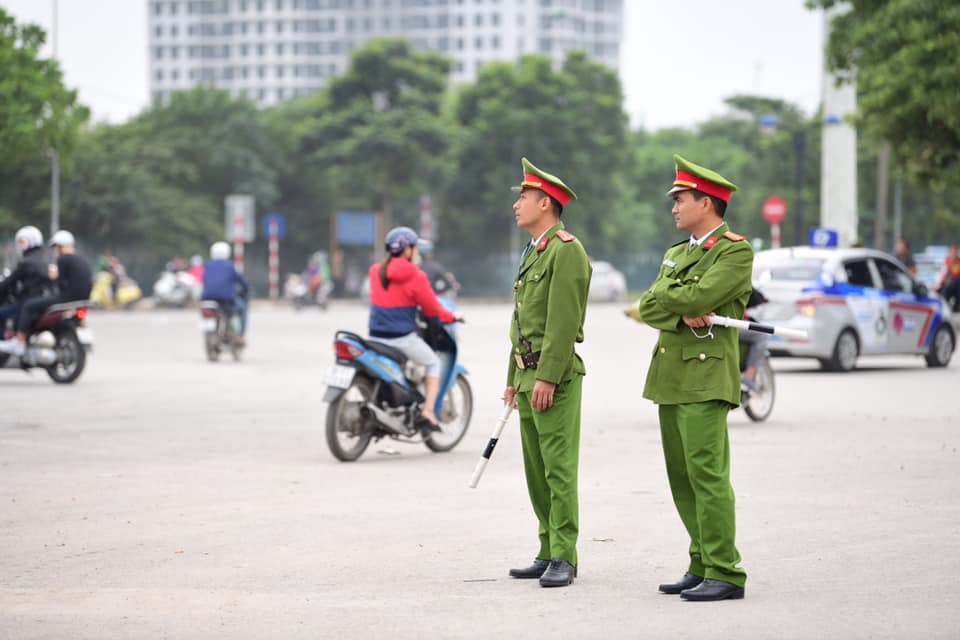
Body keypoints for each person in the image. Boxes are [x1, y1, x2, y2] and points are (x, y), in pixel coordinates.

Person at [627, 155, 752, 601]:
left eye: (681, 200)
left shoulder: (735, 250)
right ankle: (701, 560)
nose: (674, 208)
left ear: (707, 202)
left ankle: (726, 570)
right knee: (681, 475)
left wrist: (672, 296)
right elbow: (650, 307)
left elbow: (703, 294)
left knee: (707, 474)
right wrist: (681, 306)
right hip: (672, 375)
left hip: (707, 374)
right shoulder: (677, 253)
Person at [503, 158, 591, 588]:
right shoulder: (533, 250)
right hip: (526, 376)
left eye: (523, 197)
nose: (517, 204)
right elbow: (523, 322)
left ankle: (565, 555)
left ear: (545, 202)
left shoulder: (566, 250)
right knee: (536, 469)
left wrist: (548, 377)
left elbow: (560, 323)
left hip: (552, 378)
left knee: (558, 468)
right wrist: (511, 377)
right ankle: (546, 547)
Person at [367, 226, 461, 435]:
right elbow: (433, 309)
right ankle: (428, 412)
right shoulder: (416, 276)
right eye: (415, 248)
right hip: (401, 339)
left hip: (375, 337)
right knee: (433, 362)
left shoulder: (375, 271)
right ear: (408, 250)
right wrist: (453, 317)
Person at [13, 230, 94, 348]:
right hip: (83, 299)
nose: (56, 250)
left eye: (56, 247)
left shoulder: (63, 259)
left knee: (29, 305)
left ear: (60, 246)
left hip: (67, 298)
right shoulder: (81, 260)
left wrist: (53, 277)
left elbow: (60, 284)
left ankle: (19, 341)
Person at [0, 226, 54, 357]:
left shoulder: (26, 262)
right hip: (44, 300)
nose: (20, 246)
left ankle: (4, 344)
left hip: (28, 301)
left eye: (21, 242)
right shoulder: (44, 259)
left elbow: (10, 281)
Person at [201, 241, 250, 341]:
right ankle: (240, 336)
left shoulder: (207, 265)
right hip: (226, 300)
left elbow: (204, 280)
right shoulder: (230, 266)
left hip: (206, 300)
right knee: (241, 308)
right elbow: (241, 281)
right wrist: (246, 290)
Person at [739, 288, 769, 390]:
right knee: (761, 334)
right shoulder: (737, 275)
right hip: (729, 326)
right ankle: (749, 376)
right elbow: (754, 296)